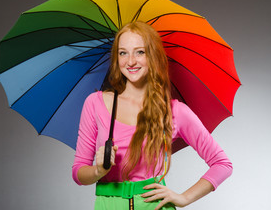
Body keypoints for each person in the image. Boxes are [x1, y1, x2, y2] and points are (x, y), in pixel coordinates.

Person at [72, 21, 233, 210]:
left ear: (153, 56)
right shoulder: (95, 103)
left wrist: (184, 198)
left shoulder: (174, 111)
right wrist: (98, 170)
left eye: (140, 52)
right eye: (123, 52)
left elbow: (222, 164)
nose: (130, 61)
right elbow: (79, 173)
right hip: (107, 204)